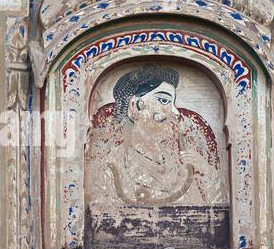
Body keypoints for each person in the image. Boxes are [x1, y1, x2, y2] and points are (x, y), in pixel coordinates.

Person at [85, 64, 224, 207]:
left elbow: (217, 210)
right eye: (164, 101)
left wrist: (205, 172)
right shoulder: (110, 168)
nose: (176, 113)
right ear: (135, 106)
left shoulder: (185, 164)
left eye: (173, 103)